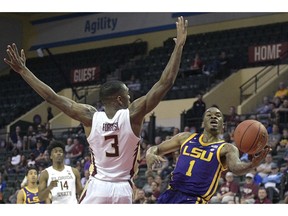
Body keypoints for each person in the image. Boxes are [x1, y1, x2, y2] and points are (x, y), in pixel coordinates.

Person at [4, 16, 188, 204]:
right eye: (127, 95)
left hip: (98, 187)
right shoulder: (133, 114)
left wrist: (24, 71)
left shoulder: (90, 117)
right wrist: (178, 47)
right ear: (119, 99)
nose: (130, 98)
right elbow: (165, 82)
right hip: (123, 188)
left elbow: (51, 97)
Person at [146, 106, 270, 204]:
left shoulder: (227, 148)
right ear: (202, 123)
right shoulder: (185, 137)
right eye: (209, 115)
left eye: (218, 116)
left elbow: (236, 168)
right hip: (169, 194)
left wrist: (251, 165)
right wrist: (149, 153)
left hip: (193, 200)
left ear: (223, 126)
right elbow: (156, 148)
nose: (213, 117)